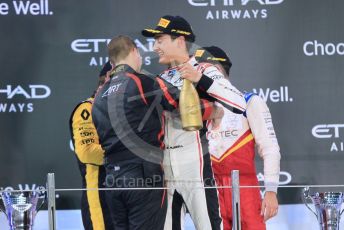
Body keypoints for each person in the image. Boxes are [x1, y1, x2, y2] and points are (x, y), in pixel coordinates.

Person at [91, 35, 218, 230]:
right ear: (134, 51)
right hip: (143, 175)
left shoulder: (99, 94)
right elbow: (181, 105)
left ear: (111, 61)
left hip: (111, 179)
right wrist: (215, 110)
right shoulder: (143, 82)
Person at [141, 15, 247, 230]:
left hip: (194, 160)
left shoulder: (204, 69)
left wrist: (199, 80)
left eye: (160, 40)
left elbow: (238, 103)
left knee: (208, 226)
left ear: (179, 41)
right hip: (164, 164)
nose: (154, 47)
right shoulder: (160, 79)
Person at [195, 46, 281, 230]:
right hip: (212, 191)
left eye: (201, 70)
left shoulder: (249, 101)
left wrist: (271, 191)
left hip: (245, 189)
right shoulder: (200, 112)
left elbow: (270, 148)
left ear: (216, 71)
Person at [69, 61, 114, 230]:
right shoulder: (86, 109)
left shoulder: (121, 111)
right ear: (106, 81)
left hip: (123, 192)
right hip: (98, 195)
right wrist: (124, 157)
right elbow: (87, 152)